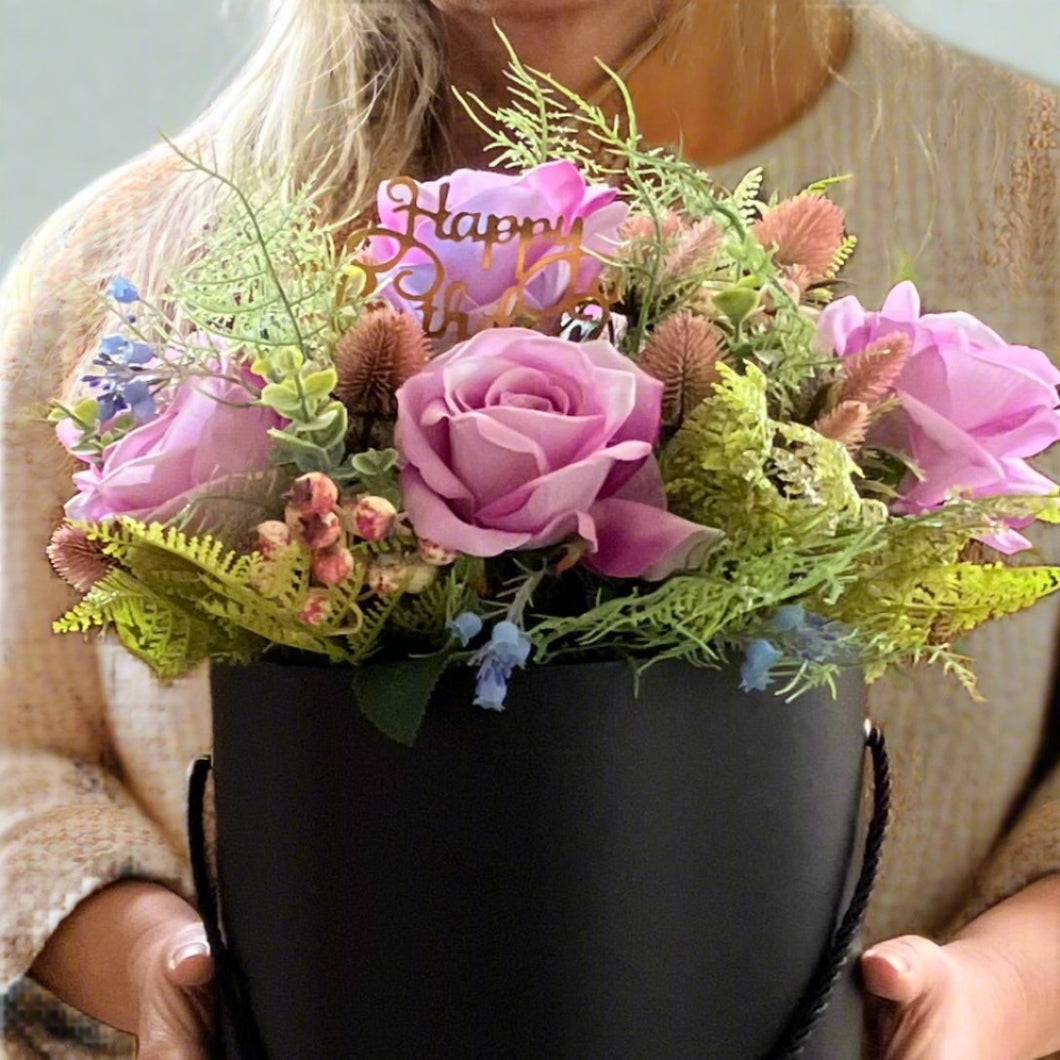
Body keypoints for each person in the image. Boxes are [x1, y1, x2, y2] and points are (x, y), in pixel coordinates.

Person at [1, 1, 1057, 1057]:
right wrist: (151, 964)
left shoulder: (1029, 186)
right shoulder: (119, 262)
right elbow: (15, 750)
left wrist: (996, 991)